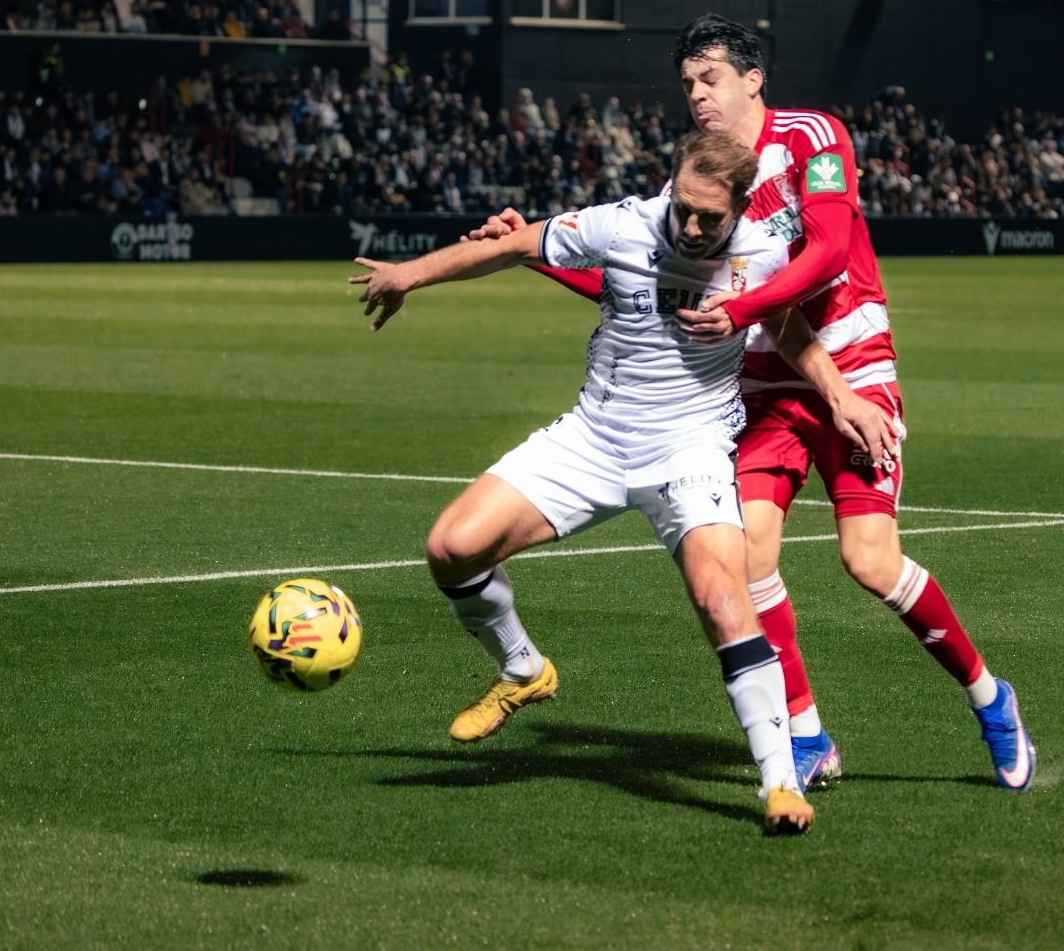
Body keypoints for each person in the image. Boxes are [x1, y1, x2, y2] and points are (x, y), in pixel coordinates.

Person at [464, 13, 1037, 793]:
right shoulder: (691, 185)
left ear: (752, 79)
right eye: (688, 83)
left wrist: (740, 309)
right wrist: (537, 260)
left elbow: (831, 252)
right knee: (752, 557)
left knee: (870, 563)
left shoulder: (813, 137)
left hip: (853, 366)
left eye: (711, 78)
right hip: (764, 389)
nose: (697, 95)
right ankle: (805, 734)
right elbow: (646, 287)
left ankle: (989, 697)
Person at [348, 131, 878, 835]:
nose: (691, 226)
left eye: (709, 218)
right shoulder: (620, 222)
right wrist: (411, 273)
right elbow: (512, 245)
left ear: (741, 208)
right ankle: (522, 670)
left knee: (724, 600)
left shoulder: (762, 253)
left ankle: (780, 783)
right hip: (593, 439)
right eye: (684, 207)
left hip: (690, 452)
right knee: (450, 548)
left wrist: (839, 395)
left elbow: (785, 326)